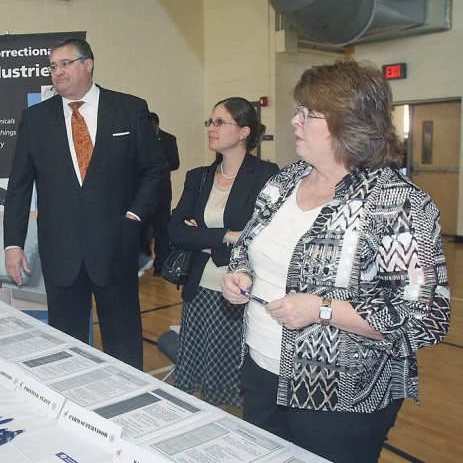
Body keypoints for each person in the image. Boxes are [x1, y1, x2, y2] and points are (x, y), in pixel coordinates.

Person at [221, 59, 451, 463]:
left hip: (339, 391)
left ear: (351, 123)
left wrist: (322, 310)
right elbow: (248, 243)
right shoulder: (283, 181)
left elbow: (423, 317)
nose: (295, 121)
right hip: (261, 369)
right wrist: (239, 272)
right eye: (298, 111)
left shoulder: (396, 203)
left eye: (309, 114)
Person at [3, 37, 168, 369]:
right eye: (53, 67)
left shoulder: (128, 109)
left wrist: (135, 214)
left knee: (123, 343)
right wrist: (12, 244)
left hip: (116, 246)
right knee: (67, 347)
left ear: (88, 64)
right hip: (61, 252)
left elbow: (155, 170)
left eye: (65, 64)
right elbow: (20, 186)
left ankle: (131, 407)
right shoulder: (35, 119)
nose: (57, 72)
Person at [168, 98, 278, 407]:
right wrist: (228, 236)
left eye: (220, 122)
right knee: (202, 383)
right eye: (210, 122)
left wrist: (203, 237)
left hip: (241, 294)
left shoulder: (267, 175)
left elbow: (262, 234)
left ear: (244, 131)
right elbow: (175, 230)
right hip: (200, 291)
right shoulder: (199, 177)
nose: (211, 129)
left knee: (236, 385)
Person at [139, 111, 180, 276]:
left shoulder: (168, 139)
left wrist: (154, 166)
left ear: (156, 124)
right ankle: (143, 259)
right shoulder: (140, 139)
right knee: (141, 228)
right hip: (142, 192)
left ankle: (161, 264)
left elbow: (175, 163)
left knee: (161, 230)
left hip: (161, 192)